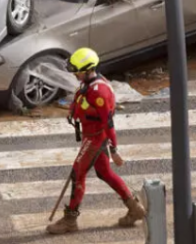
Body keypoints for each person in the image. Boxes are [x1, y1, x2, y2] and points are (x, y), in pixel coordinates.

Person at [47, 47, 146, 234]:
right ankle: (134, 208)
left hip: (94, 139)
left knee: (78, 174)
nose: (75, 74)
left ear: (88, 69)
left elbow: (108, 123)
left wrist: (114, 150)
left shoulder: (99, 92)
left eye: (77, 71)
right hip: (90, 135)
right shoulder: (89, 83)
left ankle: (70, 220)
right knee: (104, 173)